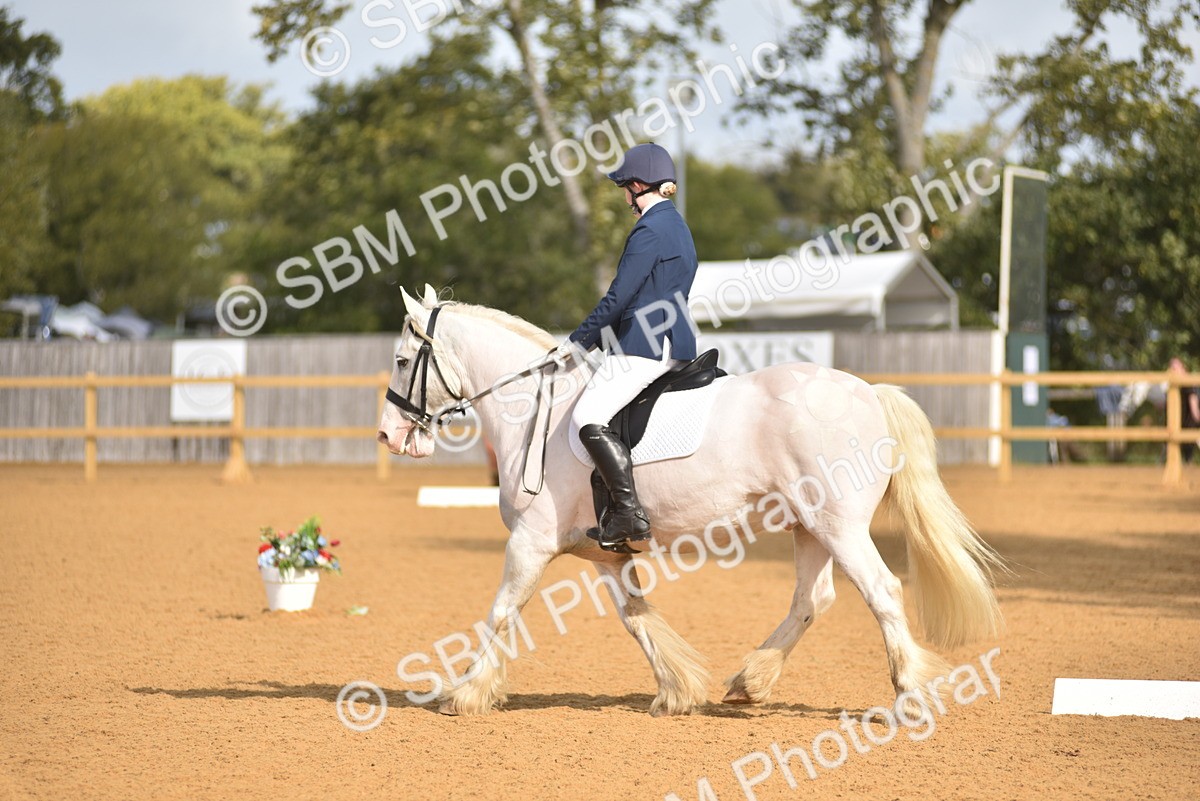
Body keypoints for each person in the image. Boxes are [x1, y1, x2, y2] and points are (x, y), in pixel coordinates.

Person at [551, 143, 699, 551]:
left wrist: (577, 342)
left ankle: (628, 511)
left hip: (645, 344)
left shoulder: (649, 230)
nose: (623, 197)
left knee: (587, 416)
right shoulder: (678, 226)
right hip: (674, 339)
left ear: (636, 186)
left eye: (623, 188)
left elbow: (618, 298)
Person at [1168, 357, 1200, 463]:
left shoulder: (1187, 383)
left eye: (1175, 367)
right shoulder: (1173, 384)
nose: (1173, 370)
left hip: (1189, 422)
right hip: (1178, 422)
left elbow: (1193, 401)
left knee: (1188, 449)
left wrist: (1197, 417)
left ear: (1183, 368)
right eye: (1172, 367)